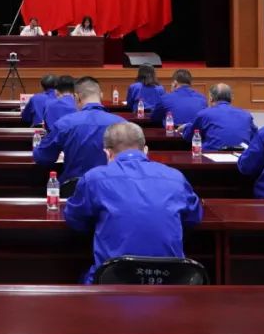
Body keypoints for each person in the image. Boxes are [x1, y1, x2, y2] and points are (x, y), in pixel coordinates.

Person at [64, 121, 203, 283]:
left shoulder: (94, 178)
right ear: (146, 150)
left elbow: (74, 219)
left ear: (107, 153)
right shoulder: (175, 177)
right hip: (171, 280)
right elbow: (194, 217)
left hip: (113, 281)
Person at [33, 76, 125, 183]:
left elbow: (43, 158)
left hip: (73, 188)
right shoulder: (122, 124)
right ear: (101, 95)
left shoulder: (65, 123)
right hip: (110, 187)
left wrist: (37, 147)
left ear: (76, 97)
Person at [186, 83, 257, 150]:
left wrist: (186, 127)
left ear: (211, 98)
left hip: (211, 156)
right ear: (231, 98)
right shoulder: (246, 115)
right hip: (241, 156)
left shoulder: (204, 114)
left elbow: (190, 136)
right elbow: (255, 137)